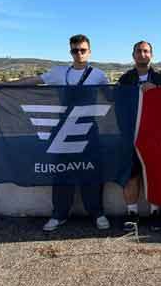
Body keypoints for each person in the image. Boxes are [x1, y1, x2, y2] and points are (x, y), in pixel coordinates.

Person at [11, 34, 111, 232]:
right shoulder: (59, 72)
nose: (79, 54)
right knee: (61, 173)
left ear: (89, 51)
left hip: (87, 128)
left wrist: (138, 91)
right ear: (70, 52)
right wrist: (3, 85)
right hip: (63, 128)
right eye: (75, 50)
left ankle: (97, 213)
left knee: (91, 170)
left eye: (83, 50)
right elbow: (34, 80)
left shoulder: (99, 74)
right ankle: (59, 215)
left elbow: (111, 95)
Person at [116, 40, 161, 232]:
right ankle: (132, 213)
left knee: (153, 174)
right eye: (139, 51)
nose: (142, 54)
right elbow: (116, 104)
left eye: (146, 51)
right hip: (130, 134)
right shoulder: (125, 78)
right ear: (133, 55)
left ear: (151, 55)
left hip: (155, 135)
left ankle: (155, 212)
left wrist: (158, 91)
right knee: (131, 175)